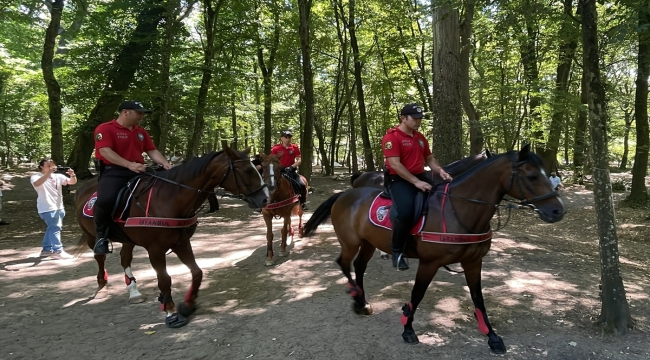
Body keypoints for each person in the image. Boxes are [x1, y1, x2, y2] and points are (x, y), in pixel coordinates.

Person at [92, 101, 172, 255]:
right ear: (125, 112)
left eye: (143, 113)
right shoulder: (105, 128)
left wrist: (165, 163)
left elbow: (151, 150)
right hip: (114, 172)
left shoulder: (141, 132)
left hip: (139, 170)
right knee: (106, 199)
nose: (142, 116)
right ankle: (101, 237)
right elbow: (105, 152)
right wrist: (129, 164)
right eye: (139, 112)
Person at [382, 103, 452, 270]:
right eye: (415, 118)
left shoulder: (420, 137)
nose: (418, 121)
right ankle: (397, 251)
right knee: (405, 211)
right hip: (398, 180)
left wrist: (441, 171)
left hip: (420, 175)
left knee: (444, 197)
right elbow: (396, 165)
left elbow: (429, 159)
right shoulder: (391, 138)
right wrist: (416, 182)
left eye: (420, 118)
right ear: (403, 118)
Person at [30, 159, 77, 259]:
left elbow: (72, 182)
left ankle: (46, 250)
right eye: (48, 165)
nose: (51, 167)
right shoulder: (36, 177)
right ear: (41, 167)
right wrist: (49, 173)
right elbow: (37, 184)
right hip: (47, 207)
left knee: (51, 228)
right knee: (55, 228)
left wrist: (72, 175)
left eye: (52, 165)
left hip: (59, 206)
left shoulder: (58, 176)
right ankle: (58, 251)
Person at [271, 130, 307, 210]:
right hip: (278, 171)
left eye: (289, 137)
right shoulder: (275, 148)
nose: (288, 139)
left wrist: (291, 167)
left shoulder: (294, 147)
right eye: (286, 137)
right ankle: (262, 205)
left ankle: (302, 203)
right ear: (282, 138)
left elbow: (299, 160)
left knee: (302, 184)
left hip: (290, 170)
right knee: (267, 183)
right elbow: (272, 159)